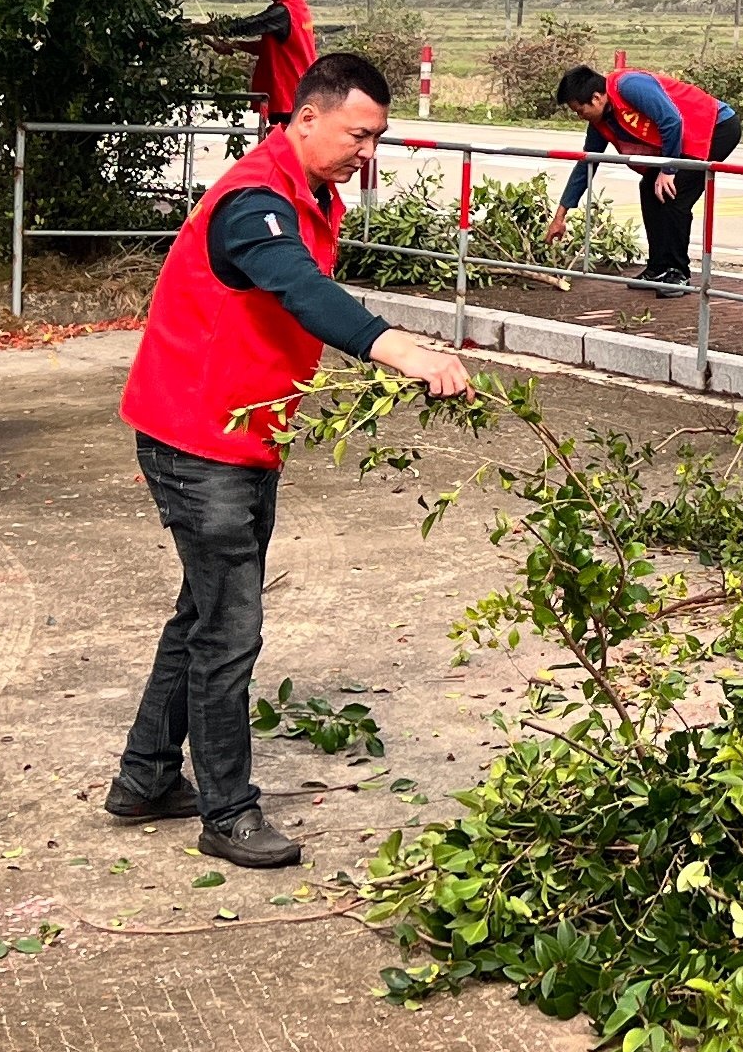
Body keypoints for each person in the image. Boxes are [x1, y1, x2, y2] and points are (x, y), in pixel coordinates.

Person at [105, 49, 470, 865]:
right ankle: (228, 812)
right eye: (357, 134)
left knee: (202, 614)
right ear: (307, 117)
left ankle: (146, 778)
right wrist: (392, 349)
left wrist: (388, 341)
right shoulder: (255, 202)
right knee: (230, 630)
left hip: (241, 435)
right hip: (200, 440)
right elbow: (302, 292)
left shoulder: (309, 190)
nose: (367, 153)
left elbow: (305, 299)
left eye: (378, 139)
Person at [553, 57, 738, 291]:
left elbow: (671, 121)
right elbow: (586, 165)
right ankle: (658, 267)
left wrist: (669, 170)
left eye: (580, 111)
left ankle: (677, 273)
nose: (580, 117)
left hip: (716, 126)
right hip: (680, 142)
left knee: (674, 194)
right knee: (649, 189)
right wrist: (560, 216)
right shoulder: (600, 123)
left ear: (596, 98)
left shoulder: (629, 85)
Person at [193, 0, 318, 138]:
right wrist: (234, 45)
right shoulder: (298, 8)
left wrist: (202, 28)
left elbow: (247, 25)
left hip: (288, 98)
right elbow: (272, 48)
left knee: (285, 154)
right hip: (296, 96)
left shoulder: (283, 12)